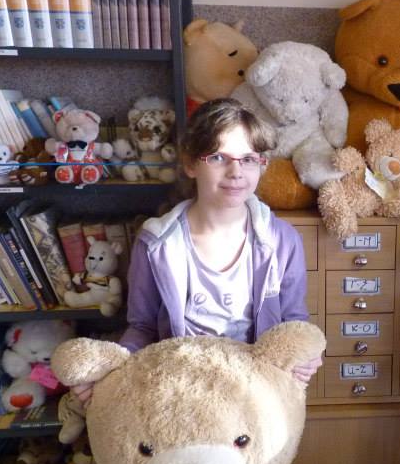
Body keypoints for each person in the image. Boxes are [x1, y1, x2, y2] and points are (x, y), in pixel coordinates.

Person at [73, 98, 321, 402]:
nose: (235, 171)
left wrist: (306, 354)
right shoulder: (155, 244)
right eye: (218, 157)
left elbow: (294, 321)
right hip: (181, 393)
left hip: (255, 395)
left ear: (261, 164)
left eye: (248, 159)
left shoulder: (283, 241)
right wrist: (111, 371)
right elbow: (143, 327)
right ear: (191, 164)